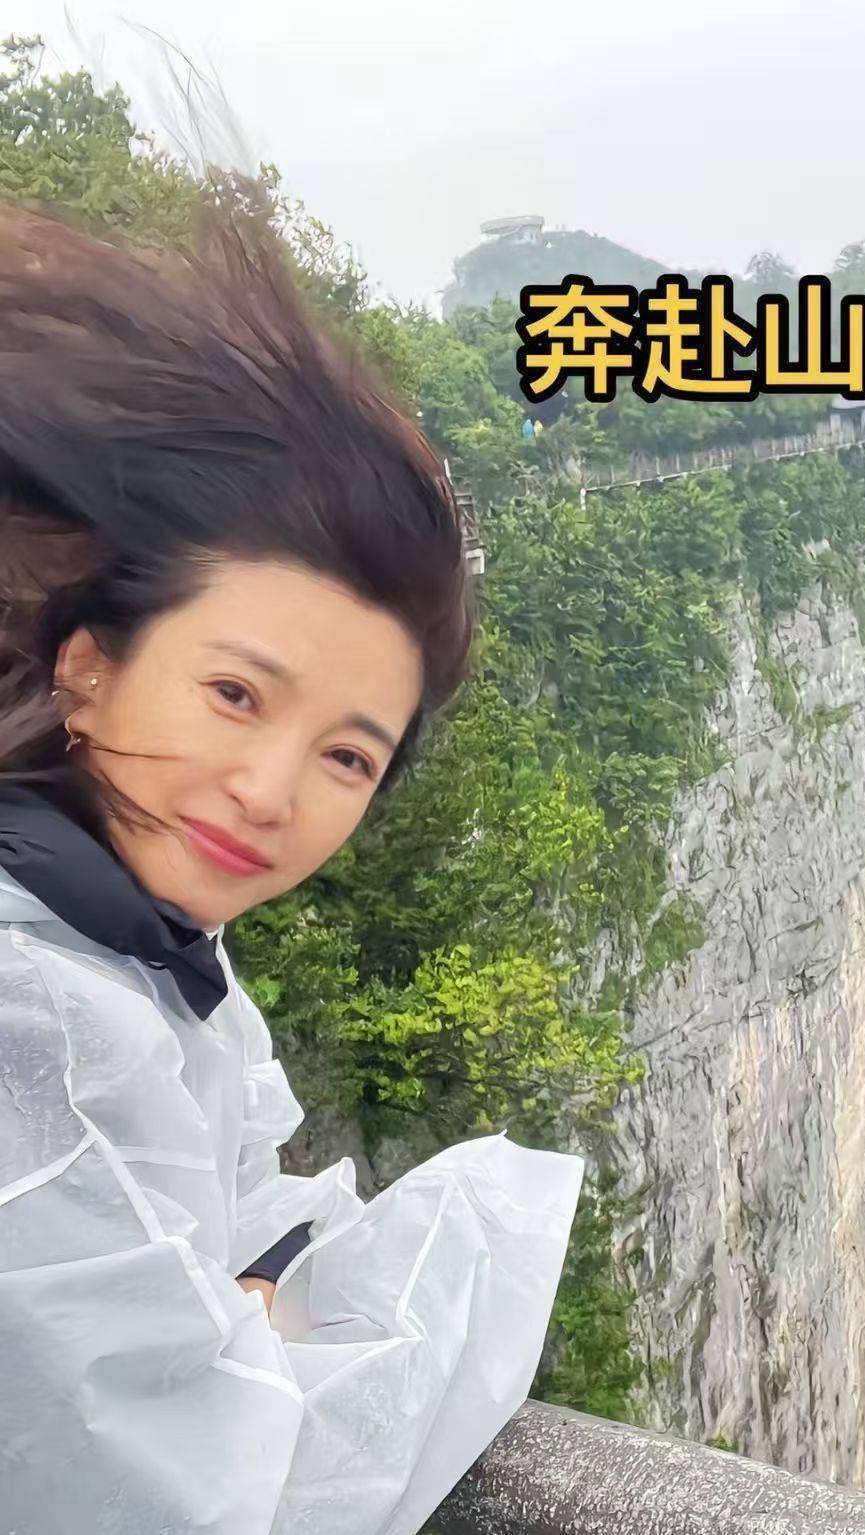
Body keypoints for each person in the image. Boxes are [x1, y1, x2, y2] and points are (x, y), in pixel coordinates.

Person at [0, 203, 584, 1534]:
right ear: (89, 665)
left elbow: (223, 1198)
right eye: (236, 693)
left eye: (347, 756)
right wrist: (479, 1230)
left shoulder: (123, 942)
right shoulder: (31, 1012)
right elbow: (210, 1501)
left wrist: (239, 1303)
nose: (269, 792)